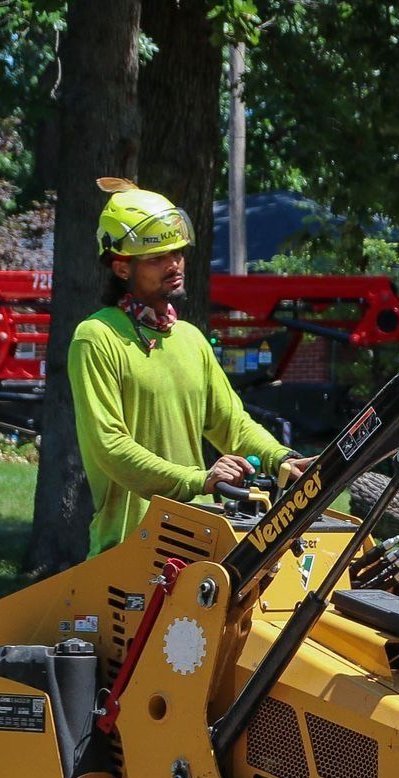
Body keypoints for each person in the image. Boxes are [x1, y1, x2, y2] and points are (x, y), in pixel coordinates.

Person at [70, 178, 314, 556]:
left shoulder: (189, 338)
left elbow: (230, 423)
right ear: (121, 268)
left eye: (178, 253)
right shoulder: (97, 337)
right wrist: (199, 481)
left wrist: (282, 458)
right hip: (127, 551)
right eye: (157, 258)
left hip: (196, 544)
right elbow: (111, 448)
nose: (174, 265)